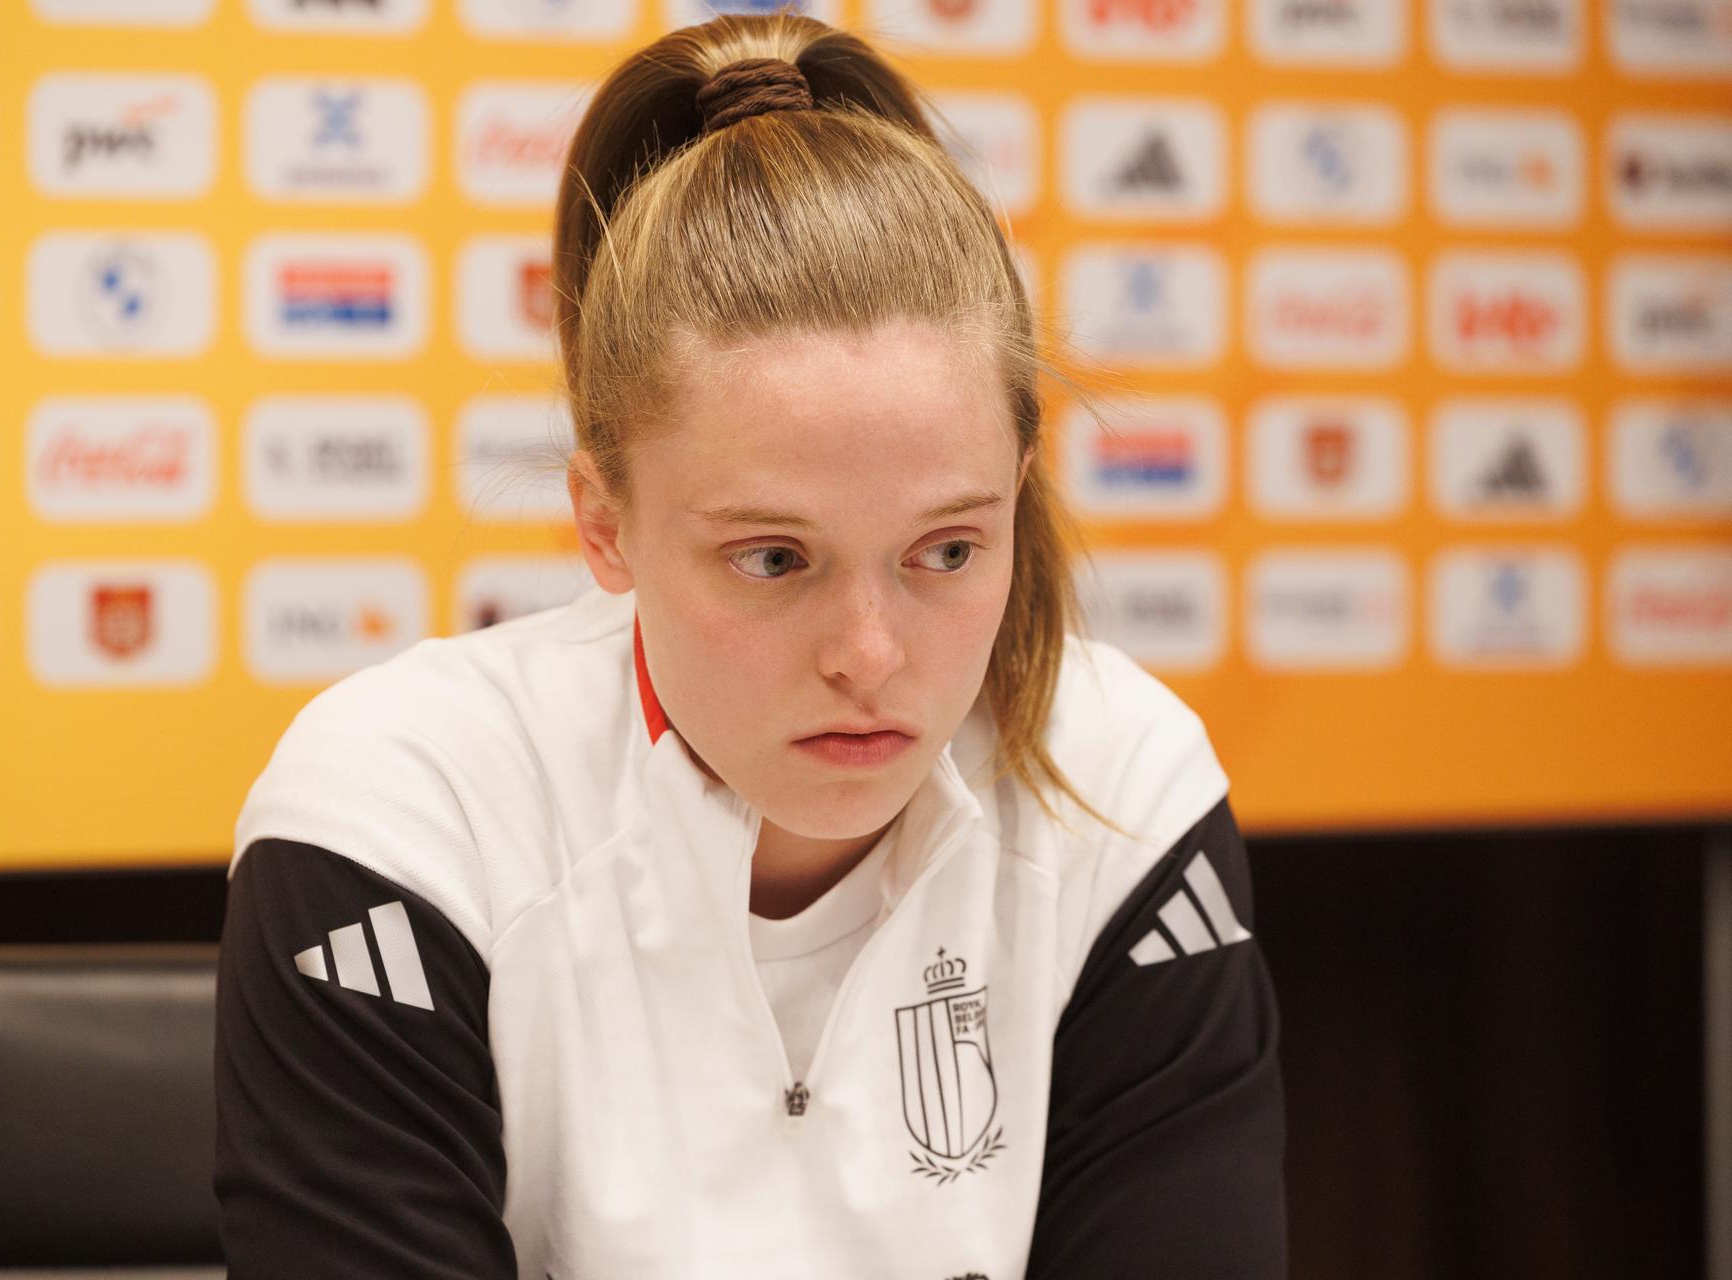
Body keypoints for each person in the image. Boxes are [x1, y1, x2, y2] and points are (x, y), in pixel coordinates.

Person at [212, 12, 1286, 1278]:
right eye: (774, 559)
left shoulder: (1123, 788)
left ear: (1021, 490)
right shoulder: (403, 811)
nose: (870, 653)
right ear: (603, 522)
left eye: (946, 550)